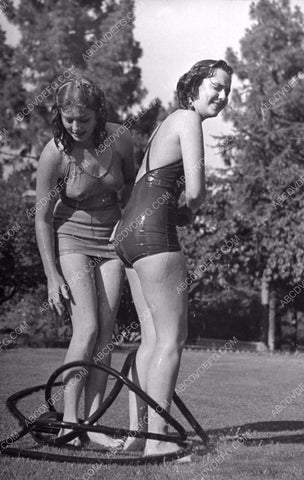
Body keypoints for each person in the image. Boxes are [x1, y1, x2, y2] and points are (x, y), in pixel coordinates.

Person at [113, 59, 232, 457]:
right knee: (172, 339)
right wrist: (194, 212)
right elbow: (195, 192)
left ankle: (137, 438)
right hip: (154, 235)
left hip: (127, 233)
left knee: (150, 341)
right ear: (194, 85)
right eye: (216, 86)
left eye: (227, 91)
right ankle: (158, 445)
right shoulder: (188, 120)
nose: (223, 96)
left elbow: (148, 183)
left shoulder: (166, 122)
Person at [35, 71, 135, 448]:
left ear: (100, 113)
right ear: (58, 115)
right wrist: (51, 275)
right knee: (88, 328)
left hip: (111, 241)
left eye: (84, 119)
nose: (75, 126)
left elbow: (134, 189)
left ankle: (91, 425)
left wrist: (126, 225)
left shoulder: (121, 138)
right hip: (71, 239)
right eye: (68, 118)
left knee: (107, 335)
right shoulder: (54, 154)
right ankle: (70, 422)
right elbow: (43, 217)